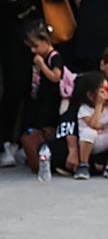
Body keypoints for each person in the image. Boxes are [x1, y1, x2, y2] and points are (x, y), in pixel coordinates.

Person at [0, 0, 65, 167]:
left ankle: (25, 141)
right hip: (7, 37)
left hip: (35, 37)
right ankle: (5, 142)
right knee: (14, 87)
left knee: (35, 89)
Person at [18, 22, 64, 173]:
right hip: (41, 98)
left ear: (46, 41)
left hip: (52, 99)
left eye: (36, 46)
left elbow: (56, 77)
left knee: (48, 127)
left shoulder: (54, 57)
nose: (33, 50)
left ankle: (50, 154)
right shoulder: (41, 57)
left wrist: (42, 66)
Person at [72, 71, 108, 180]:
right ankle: (84, 164)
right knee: (90, 132)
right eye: (103, 91)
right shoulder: (84, 109)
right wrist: (99, 104)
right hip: (89, 143)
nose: (107, 93)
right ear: (90, 95)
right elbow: (94, 124)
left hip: (104, 139)